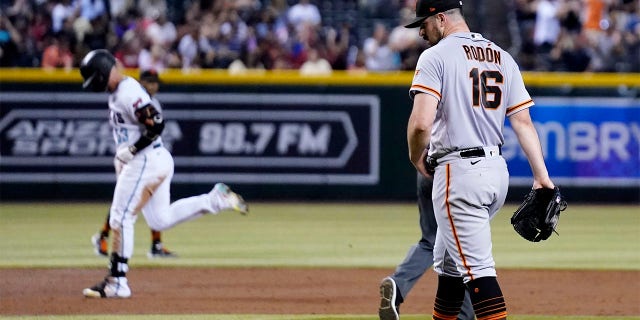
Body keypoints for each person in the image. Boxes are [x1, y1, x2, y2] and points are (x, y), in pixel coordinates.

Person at [403, 0, 557, 319]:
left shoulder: (435, 57)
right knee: (448, 268)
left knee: (479, 274)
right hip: (495, 172)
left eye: (424, 22)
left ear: (441, 19)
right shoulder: (502, 56)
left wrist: (416, 156)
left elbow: (420, 123)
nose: (420, 30)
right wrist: (543, 178)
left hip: (459, 174)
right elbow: (523, 122)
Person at [79, 49, 249, 299]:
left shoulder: (128, 91)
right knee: (159, 220)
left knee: (121, 217)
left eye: (98, 78)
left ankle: (117, 281)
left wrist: (133, 150)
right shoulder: (119, 92)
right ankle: (215, 200)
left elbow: (157, 124)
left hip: (144, 161)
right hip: (152, 160)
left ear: (107, 71)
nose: (98, 85)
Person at [91, 69, 178, 259]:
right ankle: (103, 238)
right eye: (150, 81)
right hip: (130, 156)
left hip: (139, 156)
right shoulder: (132, 95)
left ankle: (155, 244)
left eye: (156, 82)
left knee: (138, 200)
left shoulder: (148, 102)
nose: (154, 86)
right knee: (125, 204)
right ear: (142, 82)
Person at [378, 175, 474, 320]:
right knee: (461, 244)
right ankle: (463, 314)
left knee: (431, 241)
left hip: (427, 171)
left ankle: (398, 285)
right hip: (459, 173)